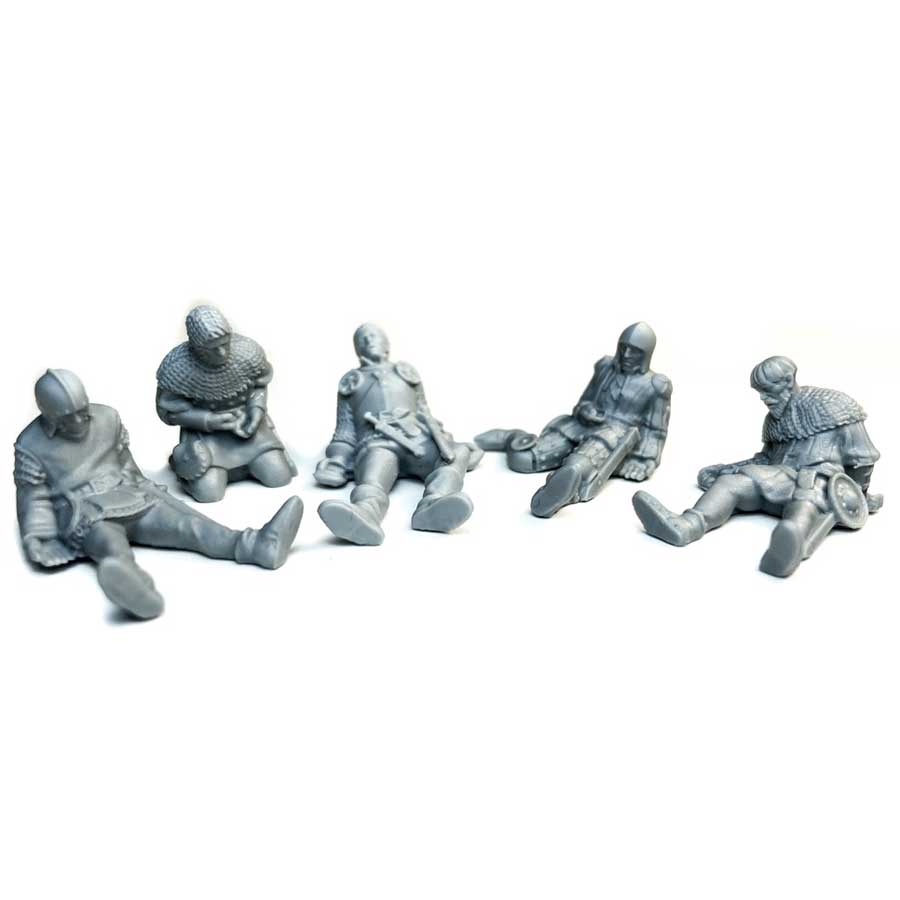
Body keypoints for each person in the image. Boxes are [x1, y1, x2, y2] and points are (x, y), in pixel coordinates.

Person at [15, 369, 303, 619]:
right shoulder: (30, 445)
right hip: (86, 513)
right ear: (49, 416)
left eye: (82, 411)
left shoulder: (107, 417)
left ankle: (257, 545)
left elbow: (123, 461)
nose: (80, 422)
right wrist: (40, 537)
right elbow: (34, 498)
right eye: (68, 418)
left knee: (190, 526)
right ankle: (136, 590)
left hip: (131, 494)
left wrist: (142, 484)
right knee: (110, 547)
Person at [633, 356, 882, 577]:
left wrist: (858, 494)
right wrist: (727, 469)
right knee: (731, 483)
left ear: (788, 381)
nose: (763, 398)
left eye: (768, 390)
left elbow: (863, 457)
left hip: (822, 485)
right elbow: (766, 459)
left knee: (807, 496)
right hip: (779, 479)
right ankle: (686, 526)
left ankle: (788, 546)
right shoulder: (774, 421)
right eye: (760, 392)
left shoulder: (835, 406)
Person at [476, 321, 671, 517]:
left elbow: (655, 430)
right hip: (580, 425)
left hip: (613, 437)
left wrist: (646, 460)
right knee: (524, 458)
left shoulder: (656, 386)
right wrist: (585, 410)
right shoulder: (605, 367)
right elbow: (585, 400)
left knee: (577, 467)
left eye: (635, 351)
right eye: (624, 348)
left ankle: (560, 492)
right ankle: (513, 438)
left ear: (646, 355)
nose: (627, 354)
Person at [314, 323, 482, 545]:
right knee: (374, 475)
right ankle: (366, 512)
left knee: (457, 453)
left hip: (418, 438)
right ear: (356, 349)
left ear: (387, 343)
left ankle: (434, 503)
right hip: (377, 441)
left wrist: (445, 439)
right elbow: (345, 429)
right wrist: (338, 460)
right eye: (362, 339)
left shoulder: (406, 373)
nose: (368, 341)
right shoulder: (352, 382)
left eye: (374, 336)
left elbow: (424, 411)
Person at [156, 304, 296, 502]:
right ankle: (188, 471)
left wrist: (256, 410)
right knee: (209, 494)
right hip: (207, 437)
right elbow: (170, 412)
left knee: (279, 477)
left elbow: (259, 386)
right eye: (213, 349)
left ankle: (247, 466)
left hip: (248, 428)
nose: (222, 353)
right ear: (197, 347)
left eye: (225, 344)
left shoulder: (248, 353)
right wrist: (209, 420)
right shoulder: (178, 368)